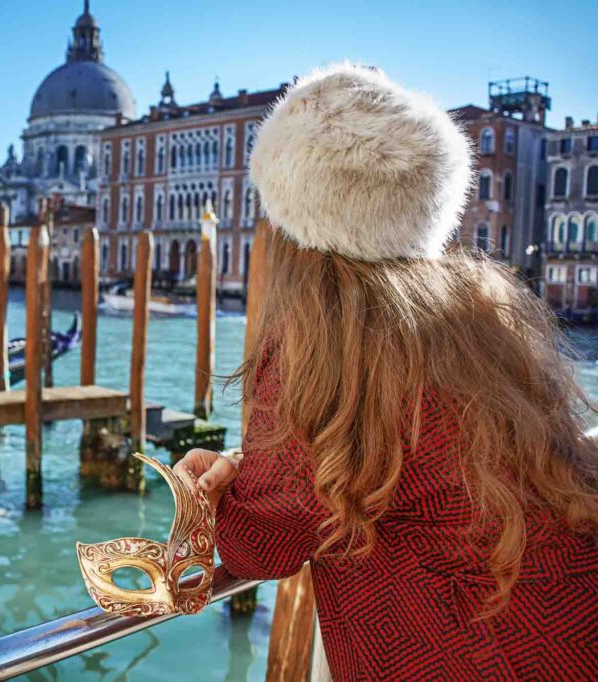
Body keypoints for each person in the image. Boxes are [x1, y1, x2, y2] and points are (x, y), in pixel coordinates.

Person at [174, 62, 598, 680]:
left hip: (465, 656)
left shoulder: (320, 348)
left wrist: (205, 492)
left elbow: (260, 546)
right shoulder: (486, 309)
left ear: (293, 219)